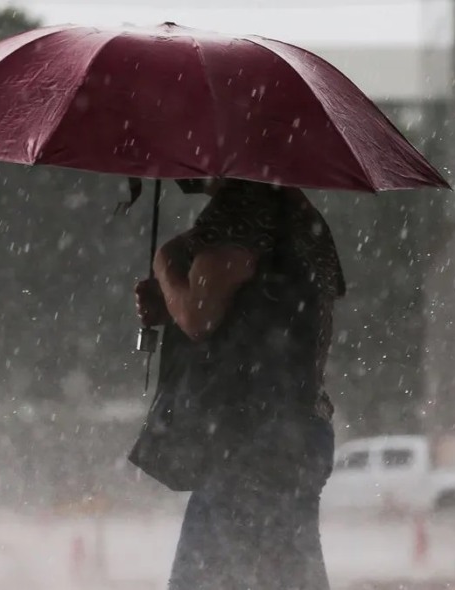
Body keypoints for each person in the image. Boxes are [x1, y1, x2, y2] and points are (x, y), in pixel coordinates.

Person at [132, 178, 346, 590]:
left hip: (248, 439)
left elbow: (198, 316)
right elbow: (266, 311)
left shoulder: (243, 206)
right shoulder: (299, 214)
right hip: (299, 430)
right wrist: (171, 302)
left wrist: (165, 264)